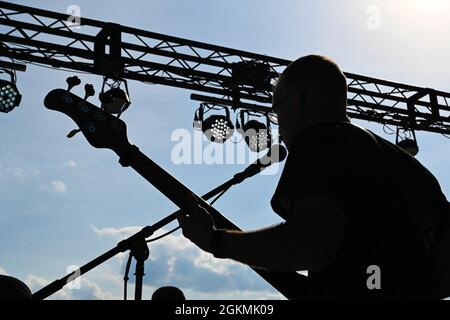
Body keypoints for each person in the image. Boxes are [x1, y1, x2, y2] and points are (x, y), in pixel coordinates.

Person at [177, 55, 450, 299]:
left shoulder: (320, 141)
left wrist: (215, 240)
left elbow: (311, 245)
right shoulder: (410, 167)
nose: (279, 124)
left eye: (276, 111)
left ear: (295, 102)